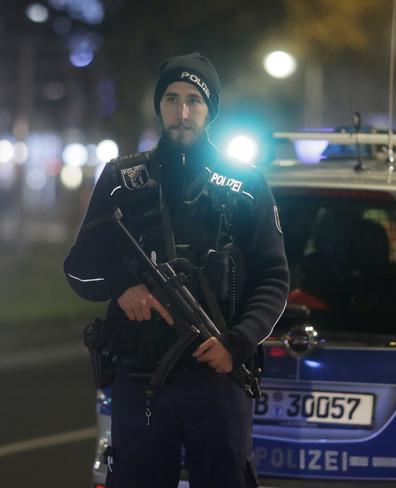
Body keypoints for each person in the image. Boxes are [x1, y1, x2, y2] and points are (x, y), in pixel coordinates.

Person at [64, 52, 289, 488]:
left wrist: (238, 342)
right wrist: (122, 288)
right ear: (159, 105)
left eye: (194, 101)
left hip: (219, 374)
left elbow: (274, 278)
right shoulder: (122, 179)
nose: (182, 112)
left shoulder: (246, 184)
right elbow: (79, 269)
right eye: (171, 99)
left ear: (211, 111)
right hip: (142, 376)